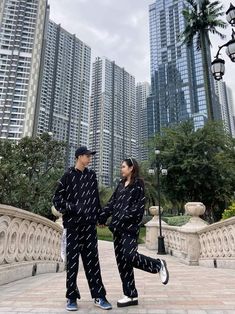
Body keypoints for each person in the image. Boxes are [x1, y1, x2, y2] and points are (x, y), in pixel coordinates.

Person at [99, 157, 169, 308]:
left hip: (129, 229)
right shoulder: (120, 184)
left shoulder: (138, 185)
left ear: (131, 168)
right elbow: (111, 204)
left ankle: (158, 265)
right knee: (122, 263)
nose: (121, 169)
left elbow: (137, 211)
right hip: (117, 230)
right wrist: (102, 217)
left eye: (123, 166)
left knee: (129, 256)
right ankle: (130, 294)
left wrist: (119, 219)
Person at [53, 146, 112, 311]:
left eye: (90, 156)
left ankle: (99, 296)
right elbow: (57, 200)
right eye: (87, 155)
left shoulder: (91, 176)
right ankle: (71, 297)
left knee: (93, 262)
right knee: (72, 263)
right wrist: (74, 207)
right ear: (79, 157)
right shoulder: (67, 176)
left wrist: (100, 217)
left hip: (89, 228)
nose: (90, 158)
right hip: (72, 227)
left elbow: (95, 200)